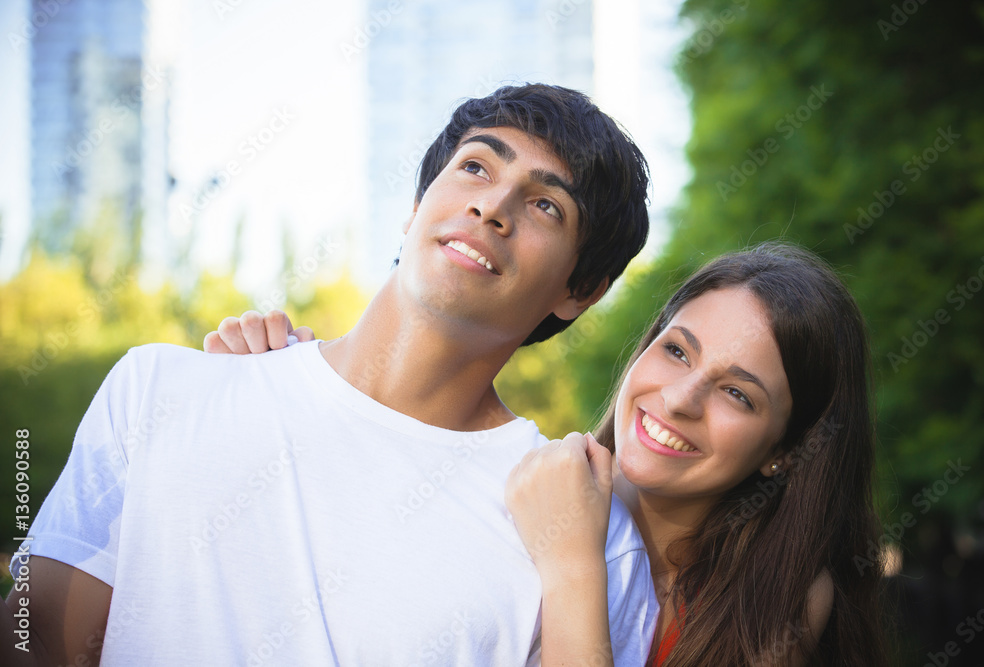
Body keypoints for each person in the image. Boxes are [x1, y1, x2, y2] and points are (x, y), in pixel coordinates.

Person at [3, 84, 658, 666]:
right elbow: (33, 646)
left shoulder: (583, 530)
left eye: (547, 206)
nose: (493, 205)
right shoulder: (159, 387)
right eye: (475, 166)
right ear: (415, 205)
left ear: (581, 290)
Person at [225, 242, 890, 666]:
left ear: (788, 450)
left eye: (738, 394)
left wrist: (573, 568)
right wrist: (294, 384)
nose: (680, 398)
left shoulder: (779, 600)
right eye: (677, 349)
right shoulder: (520, 487)